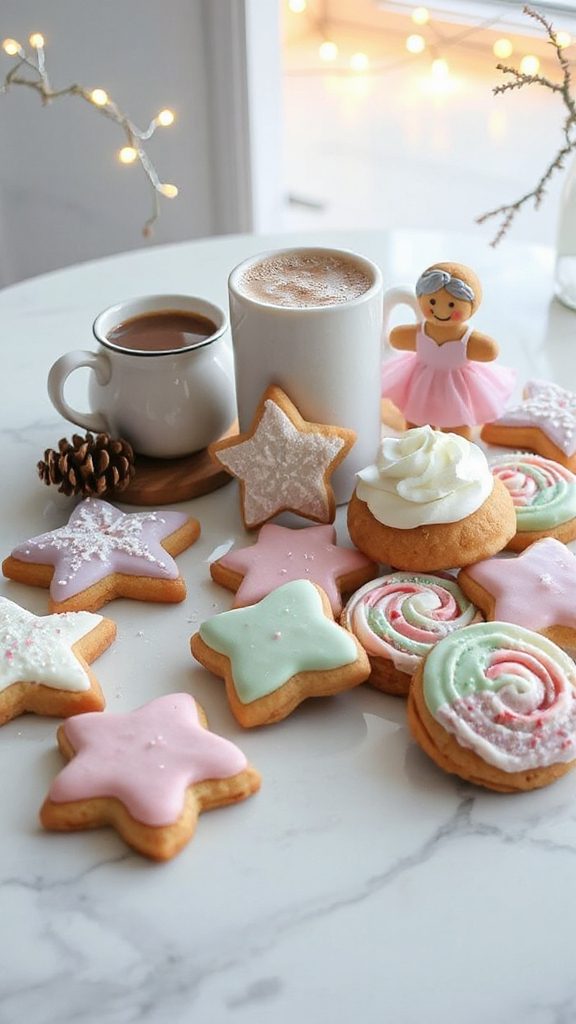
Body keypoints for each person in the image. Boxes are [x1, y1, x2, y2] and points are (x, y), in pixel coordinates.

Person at [381, 261, 515, 438]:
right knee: (419, 425)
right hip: (422, 383)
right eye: (433, 301)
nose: (441, 310)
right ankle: (418, 449)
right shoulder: (420, 332)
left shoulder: (467, 339)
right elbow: (396, 338)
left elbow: (490, 350)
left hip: (456, 388)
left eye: (451, 305)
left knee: (456, 428)